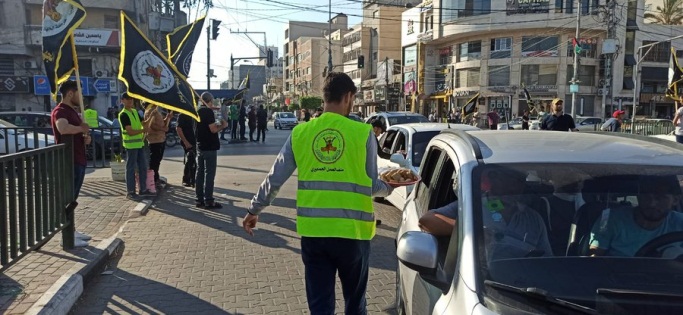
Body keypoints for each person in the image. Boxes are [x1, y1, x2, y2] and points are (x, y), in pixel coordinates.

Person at [243, 72, 394, 314]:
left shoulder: (300, 133)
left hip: (314, 234)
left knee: (320, 307)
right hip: (353, 234)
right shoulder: (362, 133)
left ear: (324, 98)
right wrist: (390, 187)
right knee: (355, 304)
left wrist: (254, 209)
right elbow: (371, 185)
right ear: (348, 97)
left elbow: (275, 178)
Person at [418, 168, 552, 260]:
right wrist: (473, 231)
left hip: (526, 289)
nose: (514, 186)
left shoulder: (532, 218)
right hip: (480, 285)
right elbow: (427, 221)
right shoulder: (474, 205)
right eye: (509, 179)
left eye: (520, 180)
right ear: (493, 179)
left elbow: (546, 262)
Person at [590, 175, 683, 257]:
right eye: (646, 196)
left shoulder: (680, 223)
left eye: (660, 198)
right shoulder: (608, 219)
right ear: (638, 196)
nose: (652, 204)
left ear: (675, 200)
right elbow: (594, 258)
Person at [50, 80, 93, 247]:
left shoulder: (72, 111)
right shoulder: (60, 111)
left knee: (73, 198)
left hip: (78, 158)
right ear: (70, 93)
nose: (81, 97)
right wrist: (81, 128)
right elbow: (63, 129)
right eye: (79, 93)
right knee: (69, 199)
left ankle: (72, 230)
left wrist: (85, 138)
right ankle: (66, 237)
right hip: (70, 161)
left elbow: (76, 132)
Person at [196, 92, 228, 209]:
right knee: (209, 173)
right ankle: (209, 200)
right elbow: (213, 130)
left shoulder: (198, 111)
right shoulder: (207, 112)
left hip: (200, 145)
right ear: (209, 101)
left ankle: (199, 199)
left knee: (200, 173)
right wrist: (222, 126)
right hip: (209, 146)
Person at [119, 93, 153, 200]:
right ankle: (131, 191)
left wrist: (151, 116)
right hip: (131, 145)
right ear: (122, 101)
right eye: (127, 99)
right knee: (131, 168)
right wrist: (143, 130)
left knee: (143, 167)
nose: (130, 101)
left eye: (131, 99)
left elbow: (143, 123)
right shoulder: (123, 114)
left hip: (139, 144)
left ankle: (143, 189)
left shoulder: (135, 112)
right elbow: (130, 131)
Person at [143, 103, 172, 186]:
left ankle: (156, 177)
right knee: (154, 160)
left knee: (158, 159)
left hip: (160, 138)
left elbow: (161, 123)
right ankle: (153, 179)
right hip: (154, 139)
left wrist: (167, 118)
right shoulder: (149, 111)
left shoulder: (156, 111)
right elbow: (152, 125)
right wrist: (163, 129)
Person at [176, 112, 196, 187]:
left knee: (194, 161)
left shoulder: (195, 114)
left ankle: (193, 179)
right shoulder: (182, 115)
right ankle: (187, 179)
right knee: (190, 159)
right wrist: (186, 142)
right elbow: (178, 128)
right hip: (187, 141)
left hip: (196, 141)